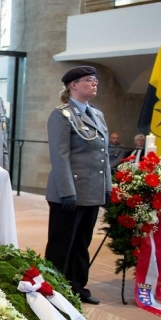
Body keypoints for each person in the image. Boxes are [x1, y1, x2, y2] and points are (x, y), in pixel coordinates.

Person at [44, 66, 111, 305]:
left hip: (91, 192)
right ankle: (51, 291)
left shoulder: (97, 114)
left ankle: (77, 287)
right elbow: (59, 156)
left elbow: (104, 156)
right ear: (73, 85)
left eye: (95, 80)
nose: (94, 83)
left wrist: (107, 188)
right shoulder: (61, 115)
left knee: (82, 245)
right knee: (61, 245)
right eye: (89, 80)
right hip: (69, 194)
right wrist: (67, 192)